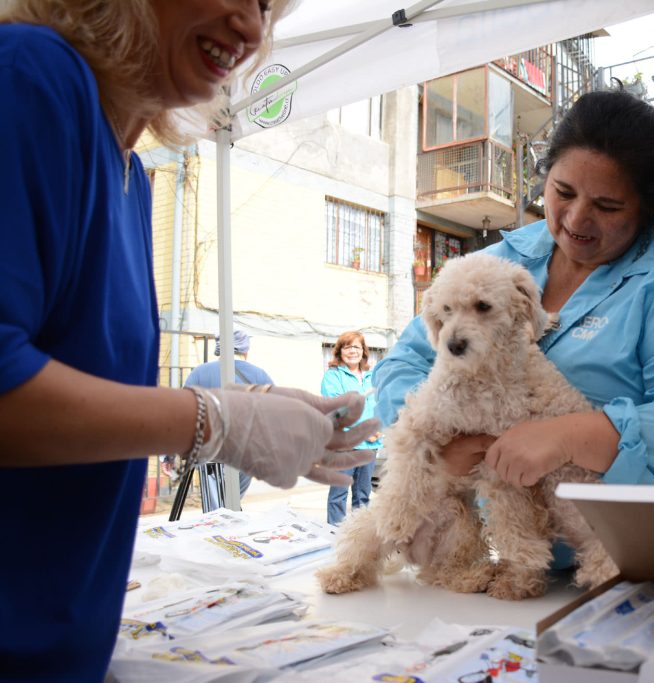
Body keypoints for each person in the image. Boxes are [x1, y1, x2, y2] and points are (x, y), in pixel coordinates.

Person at [0, 2, 378, 681]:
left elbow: (84, 390)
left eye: (266, 5)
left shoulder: (133, 178)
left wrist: (244, 403)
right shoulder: (30, 74)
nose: (252, 26)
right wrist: (212, 421)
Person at [375, 89, 654, 505]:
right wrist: (436, 441)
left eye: (607, 206)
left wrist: (576, 435)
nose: (576, 219)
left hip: (617, 549)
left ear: (648, 207)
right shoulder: (500, 262)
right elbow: (402, 364)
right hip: (498, 547)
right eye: (563, 192)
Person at [184, 330, 275, 502]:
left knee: (214, 502)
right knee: (232, 500)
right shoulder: (259, 375)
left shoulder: (199, 373)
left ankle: (217, 518)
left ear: (218, 349)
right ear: (245, 350)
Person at [321, 331, 383, 525]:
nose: (352, 351)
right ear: (340, 351)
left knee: (363, 497)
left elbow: (383, 403)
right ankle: (334, 538)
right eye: (347, 347)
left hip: (369, 447)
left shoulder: (373, 377)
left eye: (356, 347)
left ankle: (358, 540)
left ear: (363, 351)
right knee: (339, 495)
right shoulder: (333, 376)